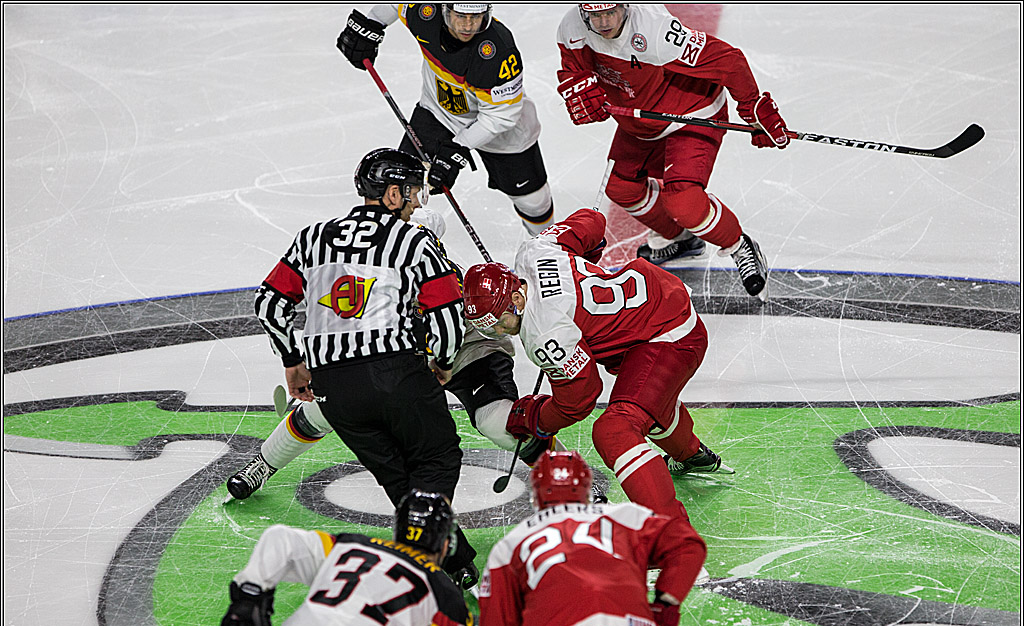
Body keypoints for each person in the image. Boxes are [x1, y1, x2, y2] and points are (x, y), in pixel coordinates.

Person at [238, 146, 478, 586]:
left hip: (335, 388)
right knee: (437, 454)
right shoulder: (416, 241)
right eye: (411, 193)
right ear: (390, 195)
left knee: (395, 473)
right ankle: (429, 555)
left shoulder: (312, 237)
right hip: (397, 373)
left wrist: (293, 362)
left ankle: (455, 556)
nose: (415, 203)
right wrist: (442, 362)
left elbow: (268, 303)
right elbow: (445, 317)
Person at [462, 207, 733, 525]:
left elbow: (580, 399)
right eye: (486, 327)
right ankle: (690, 455)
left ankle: (671, 540)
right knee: (646, 399)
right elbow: (592, 219)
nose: (497, 332)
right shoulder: (534, 251)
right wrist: (588, 249)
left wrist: (534, 417)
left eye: (498, 322)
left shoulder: (544, 332)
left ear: (517, 300)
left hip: (668, 334)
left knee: (614, 430)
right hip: (656, 303)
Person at [556, 3, 787, 298]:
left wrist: (754, 108)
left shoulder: (656, 30)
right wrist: (577, 88)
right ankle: (683, 240)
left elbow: (729, 61)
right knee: (620, 187)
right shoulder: (571, 28)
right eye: (595, 15)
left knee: (684, 202)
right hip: (640, 120)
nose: (603, 22)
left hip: (692, 112)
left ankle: (740, 246)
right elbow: (573, 73)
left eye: (610, 12)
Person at [477, 450, 707, 626]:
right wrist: (665, 609)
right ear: (587, 488)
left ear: (535, 495)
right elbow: (688, 546)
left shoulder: (509, 546)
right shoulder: (625, 516)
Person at [338, 3, 555, 235]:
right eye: (460, 16)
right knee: (401, 186)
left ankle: (546, 249)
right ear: (444, 9)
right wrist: (370, 24)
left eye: (476, 17)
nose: (468, 26)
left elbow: (501, 116)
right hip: (438, 113)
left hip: (501, 134)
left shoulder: (499, 49)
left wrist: (458, 149)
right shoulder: (423, 11)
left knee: (534, 202)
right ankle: (395, 249)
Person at [219, 490, 475, 626]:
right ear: (445, 544)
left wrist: (249, 595)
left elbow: (280, 539)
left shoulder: (348, 546)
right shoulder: (448, 598)